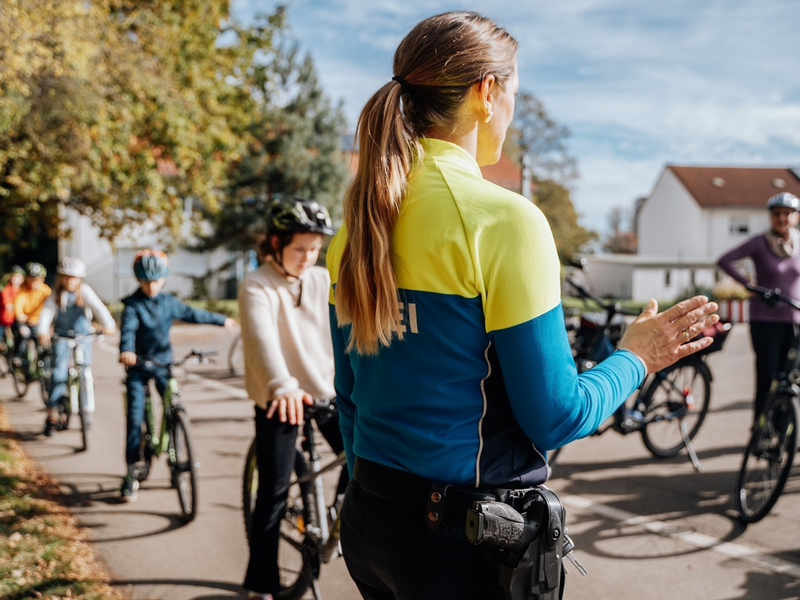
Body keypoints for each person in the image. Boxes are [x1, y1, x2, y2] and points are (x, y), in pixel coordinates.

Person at [325, 12, 719, 600]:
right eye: (513, 89)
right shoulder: (505, 222)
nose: (511, 108)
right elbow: (557, 416)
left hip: (370, 523)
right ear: (487, 92)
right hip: (462, 545)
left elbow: (351, 396)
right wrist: (636, 358)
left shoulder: (359, 225)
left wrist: (380, 498)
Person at [238, 197, 346, 600]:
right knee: (274, 491)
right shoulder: (257, 284)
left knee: (367, 456)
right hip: (279, 395)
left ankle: (339, 519)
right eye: (299, 248)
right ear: (275, 243)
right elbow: (262, 339)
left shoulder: (321, 279)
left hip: (325, 391)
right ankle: (262, 585)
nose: (308, 257)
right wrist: (282, 384)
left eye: (314, 249)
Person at [118, 249, 236, 501]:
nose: (151, 286)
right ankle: (131, 471)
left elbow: (194, 314)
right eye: (146, 282)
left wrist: (221, 320)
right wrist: (126, 350)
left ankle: (174, 452)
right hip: (138, 366)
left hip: (163, 364)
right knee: (135, 417)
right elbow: (128, 330)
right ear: (138, 280)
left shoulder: (169, 303)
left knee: (173, 403)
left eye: (156, 281)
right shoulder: (132, 306)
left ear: (163, 279)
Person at [717, 191, 800, 420]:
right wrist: (751, 286)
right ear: (771, 216)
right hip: (764, 320)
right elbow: (724, 260)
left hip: (794, 321)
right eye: (777, 214)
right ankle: (760, 428)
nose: (782, 218)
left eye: (787, 214)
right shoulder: (759, 242)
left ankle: (785, 431)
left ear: (795, 217)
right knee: (767, 377)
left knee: (790, 379)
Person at [37, 257, 117, 436]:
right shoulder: (56, 294)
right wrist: (43, 330)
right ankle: (52, 415)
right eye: (66, 277)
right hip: (62, 337)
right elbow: (47, 312)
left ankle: (87, 410)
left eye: (74, 278)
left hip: (83, 337)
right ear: (61, 277)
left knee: (85, 372)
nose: (70, 281)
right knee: (58, 373)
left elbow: (100, 309)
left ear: (80, 279)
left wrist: (109, 324)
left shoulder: (85, 292)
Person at [12, 262, 52, 365]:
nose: (34, 282)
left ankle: (44, 366)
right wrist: (19, 313)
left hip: (38, 321)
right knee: (24, 334)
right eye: (31, 279)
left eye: (37, 279)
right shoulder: (23, 290)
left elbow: (52, 303)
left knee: (43, 343)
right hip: (25, 320)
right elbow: (18, 302)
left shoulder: (45, 290)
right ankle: (17, 356)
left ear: (42, 279)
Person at [1, 265, 25, 348]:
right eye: (14, 277)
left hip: (16, 318)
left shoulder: (22, 290)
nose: (16, 279)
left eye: (18, 277)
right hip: (4, 318)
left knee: (21, 334)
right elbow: (6, 302)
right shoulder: (6, 289)